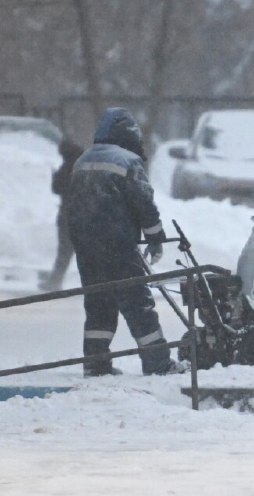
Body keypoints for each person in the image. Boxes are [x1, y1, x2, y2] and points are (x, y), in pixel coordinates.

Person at [67, 107, 185, 376]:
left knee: (98, 304)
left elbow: (73, 205)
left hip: (86, 248)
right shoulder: (127, 161)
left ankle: (96, 364)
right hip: (117, 247)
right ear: (129, 136)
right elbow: (143, 202)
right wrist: (155, 237)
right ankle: (158, 363)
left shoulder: (83, 160)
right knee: (138, 303)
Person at [39, 139, 84, 292]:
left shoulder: (67, 167)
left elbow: (57, 188)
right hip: (85, 214)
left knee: (64, 250)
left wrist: (55, 176)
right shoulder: (85, 165)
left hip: (68, 214)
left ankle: (55, 280)